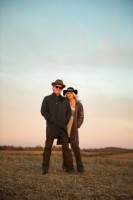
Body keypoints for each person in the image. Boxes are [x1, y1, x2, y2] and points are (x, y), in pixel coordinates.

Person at [41, 79, 74, 174]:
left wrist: (65, 121)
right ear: (53, 87)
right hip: (51, 127)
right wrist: (50, 120)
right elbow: (43, 111)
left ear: (62, 89)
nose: (58, 88)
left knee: (66, 149)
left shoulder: (65, 100)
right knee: (47, 148)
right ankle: (45, 169)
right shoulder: (46, 99)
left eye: (60, 87)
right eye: (57, 87)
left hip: (62, 128)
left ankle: (70, 169)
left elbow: (69, 113)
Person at [57, 87, 84, 173]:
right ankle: (67, 168)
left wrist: (77, 126)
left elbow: (81, 117)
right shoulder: (63, 103)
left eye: (71, 93)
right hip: (64, 128)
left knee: (75, 147)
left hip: (73, 129)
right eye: (68, 93)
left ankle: (80, 169)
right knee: (65, 148)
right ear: (66, 94)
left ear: (74, 94)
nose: (69, 94)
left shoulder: (79, 104)